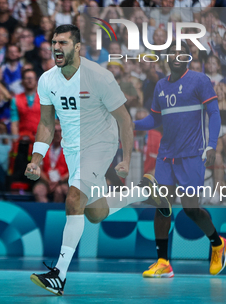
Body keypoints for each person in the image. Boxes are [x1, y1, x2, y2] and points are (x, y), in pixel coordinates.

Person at [26, 24, 169, 296]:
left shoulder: (99, 77)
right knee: (95, 213)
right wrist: (37, 159)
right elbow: (46, 123)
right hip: (72, 149)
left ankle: (59, 275)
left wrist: (125, 159)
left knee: (74, 198)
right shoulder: (47, 80)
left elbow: (125, 120)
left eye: (63, 43)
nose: (56, 47)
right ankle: (144, 192)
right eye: (54, 42)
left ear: (78, 47)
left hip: (101, 144)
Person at [133, 42, 226, 278]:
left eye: (181, 53)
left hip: (192, 154)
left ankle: (218, 244)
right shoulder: (160, 86)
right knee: (162, 207)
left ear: (188, 57)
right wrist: (129, 124)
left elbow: (214, 114)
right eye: (171, 52)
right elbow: (154, 120)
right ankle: (163, 262)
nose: (176, 56)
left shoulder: (199, 80)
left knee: (190, 209)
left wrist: (212, 145)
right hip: (166, 156)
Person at [33, 119, 69, 203]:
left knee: (60, 191)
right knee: (38, 191)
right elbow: (39, 169)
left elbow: (73, 169)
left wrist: (59, 181)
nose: (57, 134)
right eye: (55, 131)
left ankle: (56, 214)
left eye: (60, 131)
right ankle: (45, 212)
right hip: (46, 180)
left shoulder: (70, 149)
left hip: (63, 181)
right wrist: (48, 181)